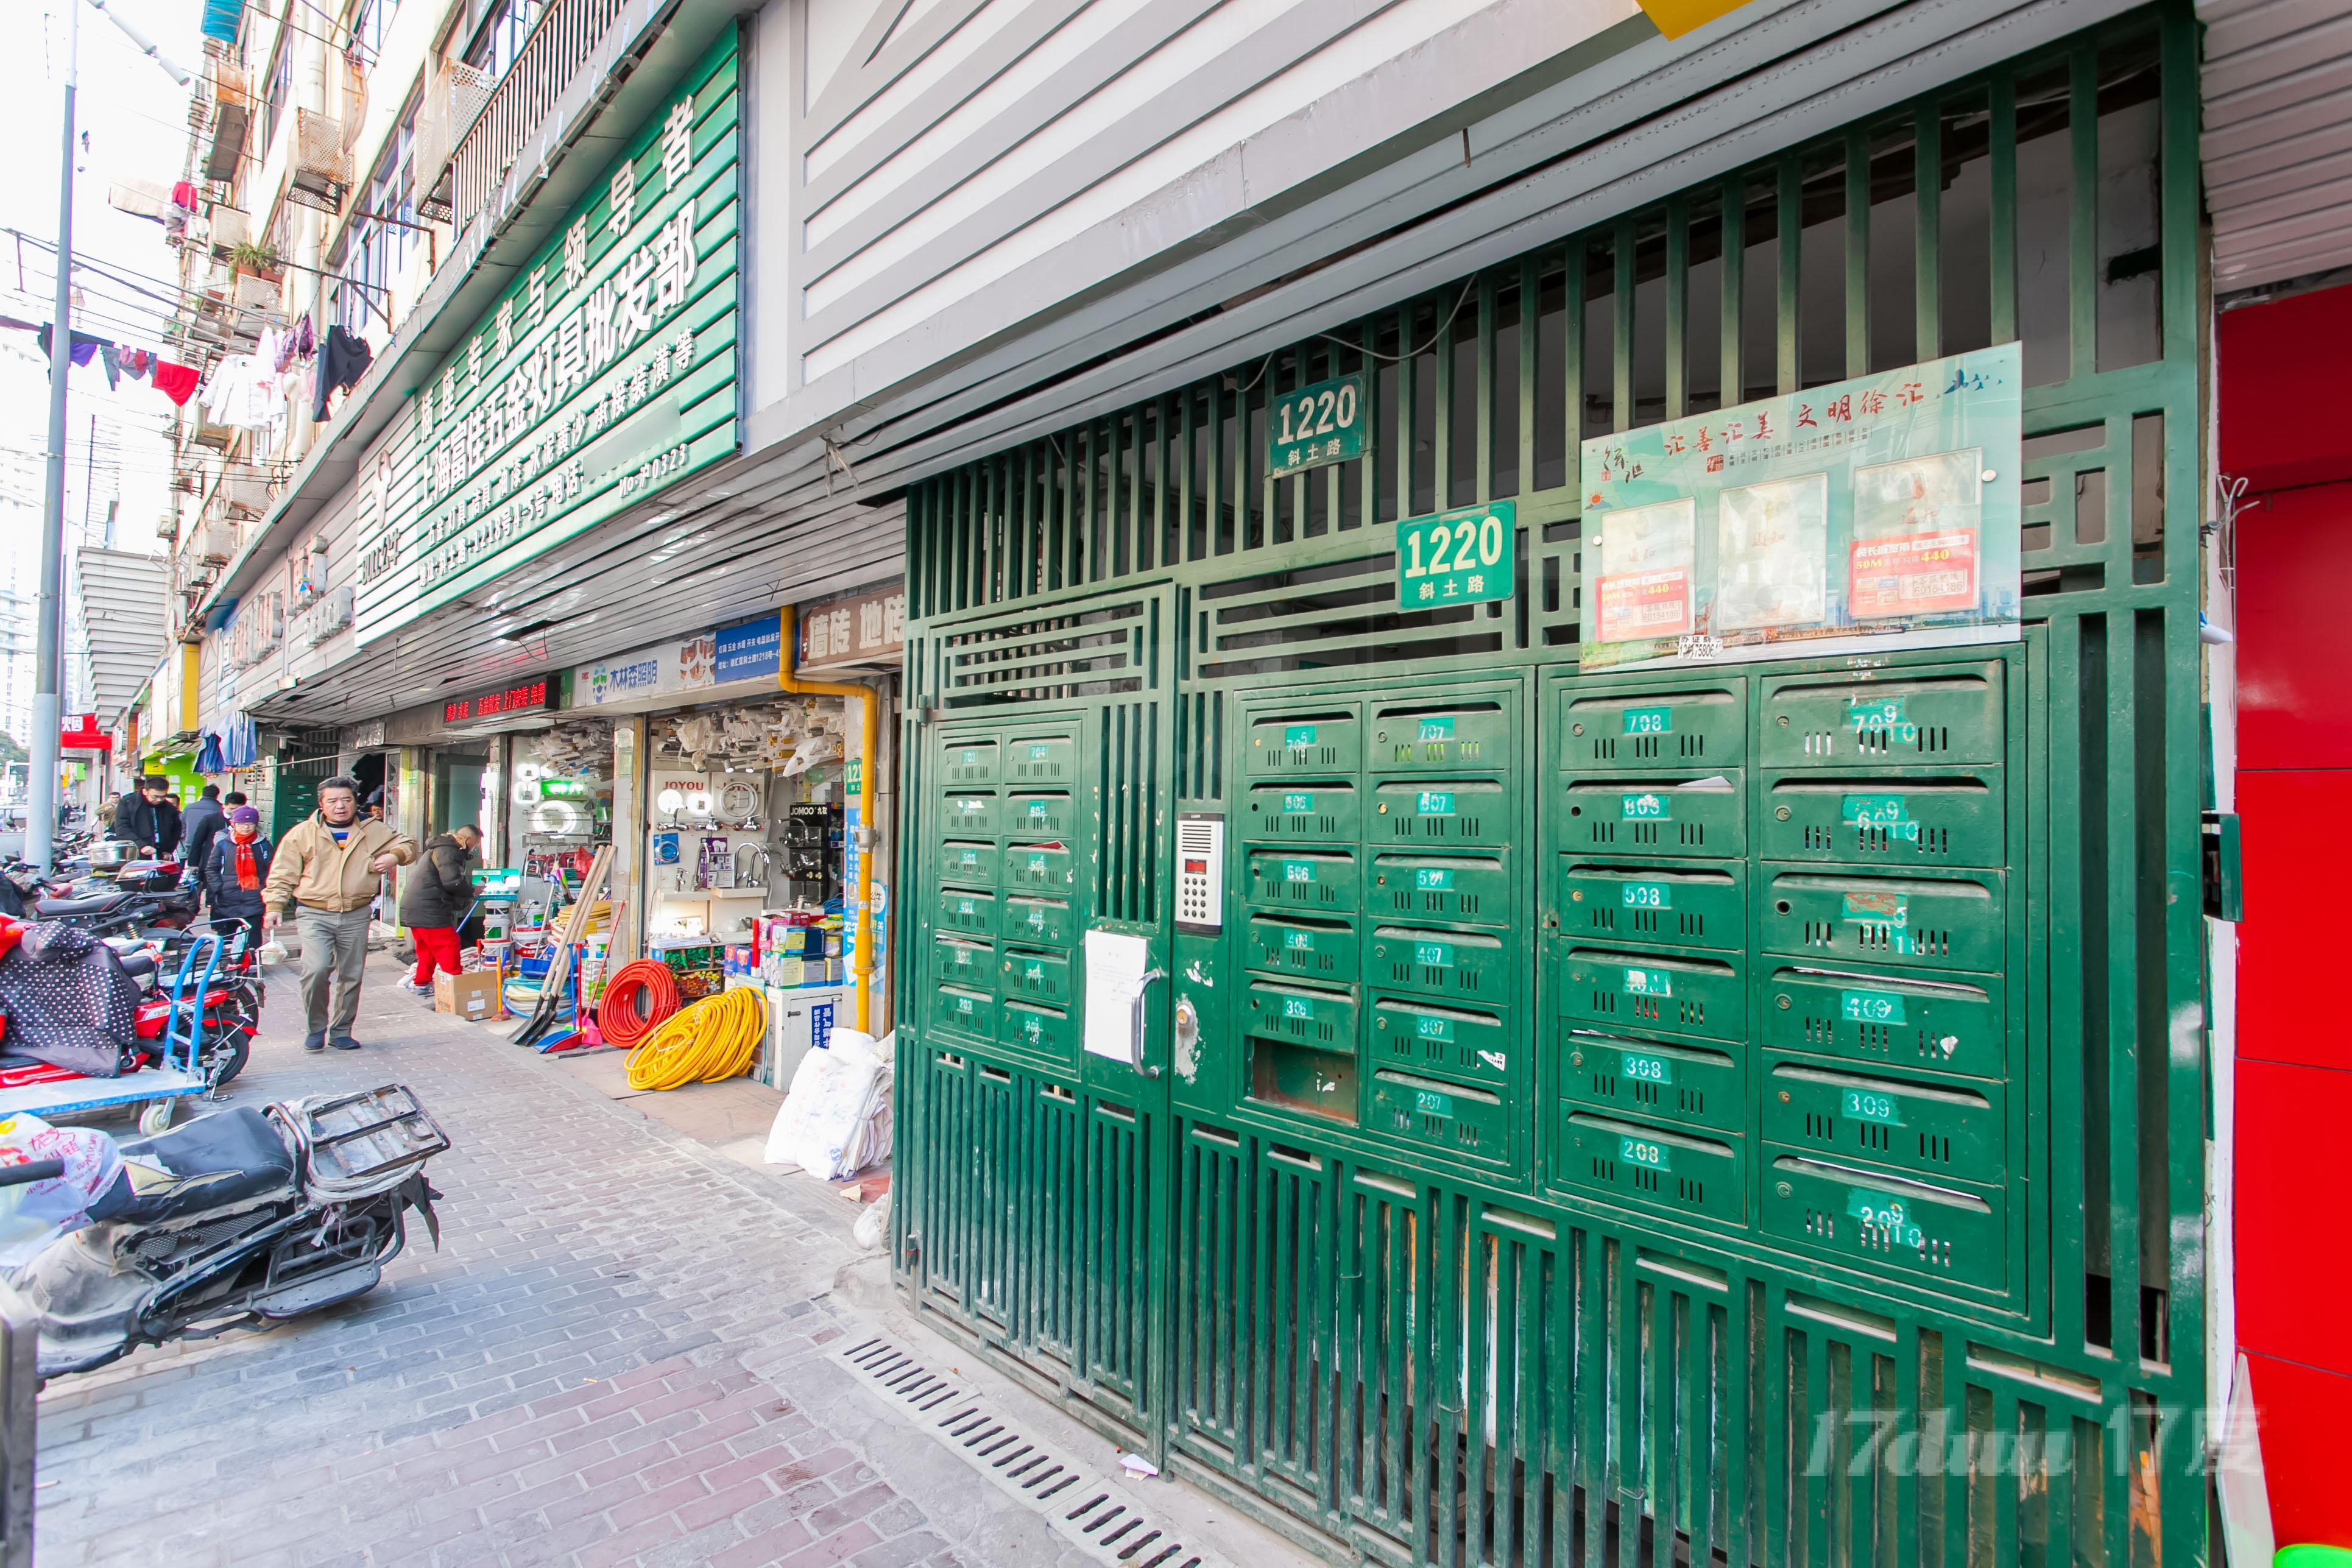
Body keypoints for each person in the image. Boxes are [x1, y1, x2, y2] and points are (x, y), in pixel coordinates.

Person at [262, 777, 417, 1052]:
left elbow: (409, 845)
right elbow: (282, 873)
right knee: (316, 969)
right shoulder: (302, 833)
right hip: (314, 912)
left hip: (356, 913)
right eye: (332, 801)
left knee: (352, 975)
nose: (340, 806)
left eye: (346, 800)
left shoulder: (373, 829)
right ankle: (315, 1028)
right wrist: (275, 906)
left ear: (355, 802)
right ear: (321, 805)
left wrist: (394, 856)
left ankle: (342, 1031)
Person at [398, 825, 480, 997]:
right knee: (448, 945)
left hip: (417, 907)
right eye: (476, 844)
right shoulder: (449, 850)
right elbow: (452, 881)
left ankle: (421, 983)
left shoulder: (442, 848)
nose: (475, 848)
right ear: (468, 839)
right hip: (430, 909)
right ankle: (455, 988)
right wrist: (473, 890)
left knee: (427, 950)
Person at [197, 805, 270, 948]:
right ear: (233, 824)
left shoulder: (264, 845)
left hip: (255, 899)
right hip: (227, 899)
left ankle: (251, 960)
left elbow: (272, 869)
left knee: (252, 939)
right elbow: (212, 868)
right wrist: (219, 887)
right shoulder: (223, 844)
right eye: (242, 824)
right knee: (228, 941)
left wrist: (264, 888)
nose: (246, 827)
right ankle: (229, 960)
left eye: (250, 824)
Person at [111, 777, 181, 858]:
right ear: (145, 792)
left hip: (161, 853)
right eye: (155, 796)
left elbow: (176, 830)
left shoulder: (169, 808)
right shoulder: (128, 803)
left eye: (162, 797)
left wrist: (169, 850)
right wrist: (141, 845)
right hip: (135, 853)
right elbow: (122, 828)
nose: (159, 800)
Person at [179, 785, 225, 878]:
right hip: (211, 845)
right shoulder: (220, 809)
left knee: (194, 870)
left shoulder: (189, 807)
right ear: (217, 795)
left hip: (190, 842)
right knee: (209, 870)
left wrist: (184, 836)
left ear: (202, 794)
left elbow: (182, 825)